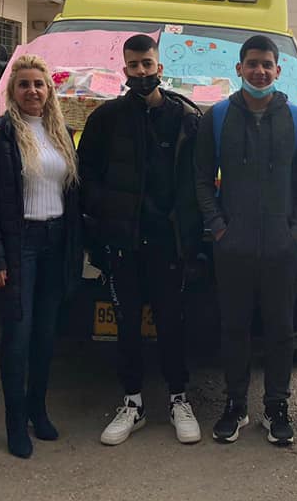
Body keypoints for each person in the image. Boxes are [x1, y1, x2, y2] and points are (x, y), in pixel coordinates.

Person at [77, 34, 203, 446]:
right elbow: (85, 174)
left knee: (172, 323)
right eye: (134, 65)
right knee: (126, 325)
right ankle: (133, 403)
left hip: (168, 243)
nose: (142, 71)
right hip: (122, 242)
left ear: (159, 67)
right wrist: (106, 211)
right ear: (125, 69)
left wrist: (190, 234)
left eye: (147, 64)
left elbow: (198, 180)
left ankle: (178, 399)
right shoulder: (106, 118)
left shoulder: (186, 118)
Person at [195, 34, 297, 446]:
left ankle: (276, 407)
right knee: (234, 327)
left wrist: (296, 230)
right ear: (239, 68)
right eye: (252, 63)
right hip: (233, 245)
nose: (259, 71)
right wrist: (218, 227)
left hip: (282, 246)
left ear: (278, 70)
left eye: (267, 64)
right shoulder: (217, 118)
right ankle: (235, 406)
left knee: (281, 329)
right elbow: (201, 179)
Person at [0, 55, 81, 458]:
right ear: (12, 91)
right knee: (17, 336)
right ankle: (15, 423)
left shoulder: (61, 133)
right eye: (24, 84)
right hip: (20, 245)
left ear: (49, 90)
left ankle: (38, 410)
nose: (32, 91)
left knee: (46, 334)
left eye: (39, 84)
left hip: (56, 242)